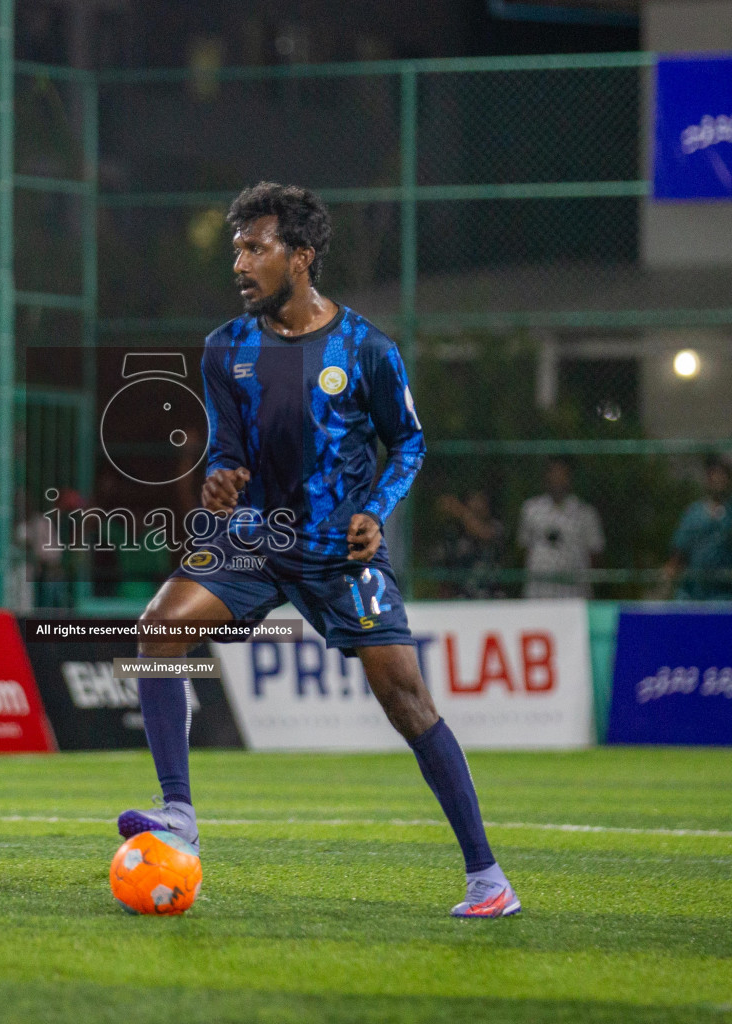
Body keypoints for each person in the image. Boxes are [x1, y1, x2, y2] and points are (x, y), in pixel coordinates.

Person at [118, 182, 519, 919]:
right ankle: (179, 814)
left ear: (300, 258)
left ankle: (488, 879)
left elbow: (408, 442)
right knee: (157, 628)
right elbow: (228, 450)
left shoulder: (367, 349)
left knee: (405, 699)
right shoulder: (224, 348)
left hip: (341, 547)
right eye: (236, 248)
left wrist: (375, 511)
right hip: (256, 538)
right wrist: (219, 481)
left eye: (255, 248)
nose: (239, 263)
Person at [517, 457, 604, 599]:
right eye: (553, 474)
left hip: (574, 591)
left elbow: (595, 552)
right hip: (539, 590)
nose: (557, 479)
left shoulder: (584, 512)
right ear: (546, 477)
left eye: (562, 475)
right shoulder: (531, 509)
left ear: (569, 478)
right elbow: (524, 547)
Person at [665, 456, 732, 600]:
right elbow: (681, 545)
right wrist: (673, 566)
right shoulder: (694, 512)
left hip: (725, 589)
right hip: (693, 587)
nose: (718, 480)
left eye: (723, 476)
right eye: (714, 475)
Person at [433, 490, 507, 599]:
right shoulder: (456, 534)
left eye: (481, 501)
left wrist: (458, 510)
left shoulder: (496, 527)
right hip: (462, 595)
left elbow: (484, 534)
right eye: (473, 501)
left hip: (491, 594)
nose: (477, 506)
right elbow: (446, 566)